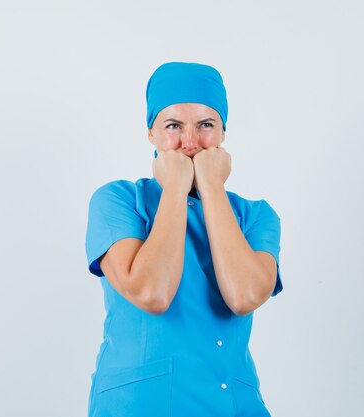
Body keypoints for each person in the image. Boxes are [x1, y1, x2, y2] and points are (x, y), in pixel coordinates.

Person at [84, 62, 283, 417]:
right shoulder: (118, 201)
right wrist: (175, 185)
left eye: (206, 125)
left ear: (223, 134)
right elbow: (152, 293)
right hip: (140, 405)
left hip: (234, 405)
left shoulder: (255, 216)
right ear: (151, 134)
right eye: (173, 126)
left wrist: (210, 187)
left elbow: (244, 296)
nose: (190, 143)